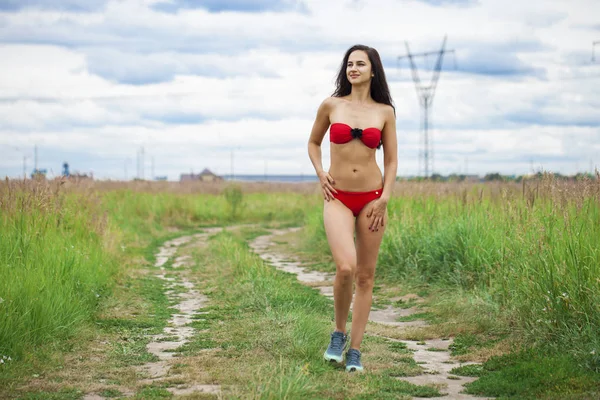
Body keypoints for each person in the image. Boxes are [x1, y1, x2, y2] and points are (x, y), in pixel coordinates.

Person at [307, 44, 398, 372]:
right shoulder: (331, 105)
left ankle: (355, 351)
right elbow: (313, 142)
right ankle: (338, 334)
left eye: (360, 64)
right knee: (346, 267)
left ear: (373, 70)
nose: (353, 68)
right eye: (349, 64)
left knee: (366, 276)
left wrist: (386, 196)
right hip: (338, 198)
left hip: (373, 199)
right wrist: (321, 173)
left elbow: (390, 159)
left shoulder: (385, 112)